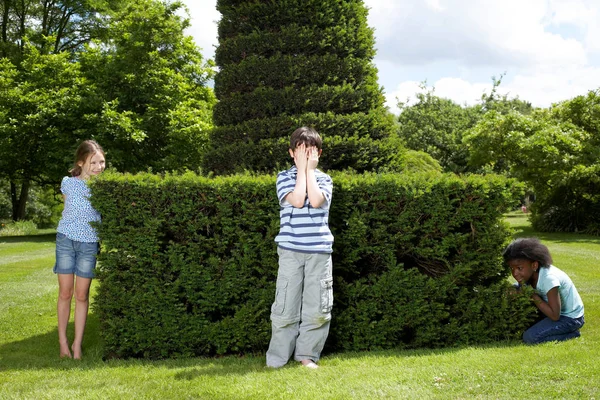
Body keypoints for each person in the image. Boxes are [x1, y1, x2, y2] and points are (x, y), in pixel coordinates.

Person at [266, 127, 334, 369]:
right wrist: (302, 172)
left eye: (310, 152)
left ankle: (307, 355)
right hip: (291, 250)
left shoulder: (325, 179)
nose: (305, 155)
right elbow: (296, 199)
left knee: (317, 306)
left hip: (319, 251)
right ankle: (277, 358)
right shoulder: (283, 177)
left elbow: (315, 201)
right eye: (301, 151)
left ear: (318, 154)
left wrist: (311, 171)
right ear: (292, 153)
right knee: (285, 303)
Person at [54, 140, 106, 359]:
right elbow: (68, 211)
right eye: (93, 162)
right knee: (65, 293)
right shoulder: (68, 183)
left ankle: (77, 345)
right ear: (81, 162)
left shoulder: (104, 187)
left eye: (102, 162)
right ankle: (63, 342)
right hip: (65, 241)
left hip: (89, 244)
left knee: (82, 294)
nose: (98, 166)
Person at [503, 237, 584, 344]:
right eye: (512, 269)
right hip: (552, 311)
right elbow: (521, 288)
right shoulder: (530, 275)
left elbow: (555, 316)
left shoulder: (549, 279)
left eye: (519, 268)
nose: (515, 273)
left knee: (530, 337)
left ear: (534, 265)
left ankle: (572, 334)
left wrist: (532, 296)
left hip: (570, 318)